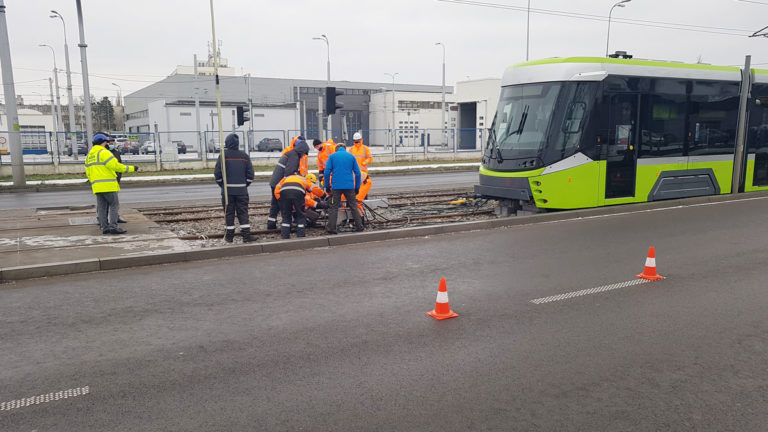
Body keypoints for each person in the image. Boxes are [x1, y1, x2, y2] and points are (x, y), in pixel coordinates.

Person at [84, 133, 138, 235]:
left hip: (96, 186)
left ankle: (104, 227)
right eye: (107, 142)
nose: (108, 144)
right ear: (103, 143)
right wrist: (132, 168)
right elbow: (116, 166)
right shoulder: (104, 153)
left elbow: (88, 172)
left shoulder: (89, 156)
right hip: (108, 185)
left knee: (102, 207)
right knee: (114, 205)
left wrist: (94, 182)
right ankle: (113, 227)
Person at [214, 133, 255, 243]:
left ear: (227, 143)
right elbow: (250, 175)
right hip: (242, 191)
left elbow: (217, 174)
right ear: (237, 143)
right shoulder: (244, 156)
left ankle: (229, 237)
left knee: (229, 213)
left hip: (227, 192)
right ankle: (246, 236)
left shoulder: (223, 155)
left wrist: (223, 185)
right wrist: (244, 185)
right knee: (243, 213)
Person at [267, 137, 309, 229]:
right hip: (280, 184)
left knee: (275, 204)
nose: (303, 156)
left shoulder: (289, 154)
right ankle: (287, 226)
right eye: (303, 154)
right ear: (302, 151)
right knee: (284, 205)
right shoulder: (294, 156)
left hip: (275, 182)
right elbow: (289, 172)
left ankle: (271, 223)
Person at [323, 143, 364, 234]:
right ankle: (359, 226)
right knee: (353, 206)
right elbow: (358, 173)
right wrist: (357, 187)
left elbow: (326, 173)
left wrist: (327, 186)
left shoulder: (332, 157)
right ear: (344, 149)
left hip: (336, 187)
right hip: (349, 186)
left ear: (336, 149)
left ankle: (332, 229)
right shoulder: (351, 157)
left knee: (334, 207)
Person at [274, 172, 322, 239]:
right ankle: (300, 235)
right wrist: (323, 195)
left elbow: (277, 189)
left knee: (286, 217)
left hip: (284, 194)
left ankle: (285, 236)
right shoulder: (303, 179)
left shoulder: (286, 178)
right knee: (301, 215)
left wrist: (281, 200)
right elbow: (314, 189)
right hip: (298, 194)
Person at [106, 136, 128, 224]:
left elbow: (119, 165)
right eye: (109, 142)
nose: (111, 144)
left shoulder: (116, 152)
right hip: (107, 181)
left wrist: (119, 176)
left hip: (115, 180)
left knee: (115, 202)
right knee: (106, 203)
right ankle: (103, 218)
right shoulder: (105, 153)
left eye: (112, 142)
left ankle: (115, 217)